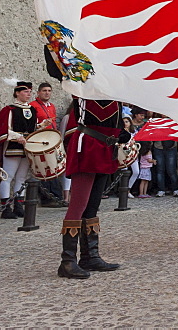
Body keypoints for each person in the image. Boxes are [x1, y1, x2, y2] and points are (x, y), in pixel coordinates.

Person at [58, 97, 131, 278]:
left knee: (92, 205)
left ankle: (90, 256)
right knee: (78, 205)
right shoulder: (84, 87)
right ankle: (67, 261)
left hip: (105, 148)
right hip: (88, 145)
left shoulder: (114, 93)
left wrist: (120, 132)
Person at [0, 80, 38, 219]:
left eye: (30, 92)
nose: (28, 94)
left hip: (27, 147)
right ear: (17, 93)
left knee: (21, 177)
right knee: (8, 176)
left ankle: (19, 205)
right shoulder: (9, 110)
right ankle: (6, 207)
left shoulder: (32, 110)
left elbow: (33, 128)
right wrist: (17, 136)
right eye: (25, 92)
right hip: (13, 146)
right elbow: (4, 129)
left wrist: (42, 126)